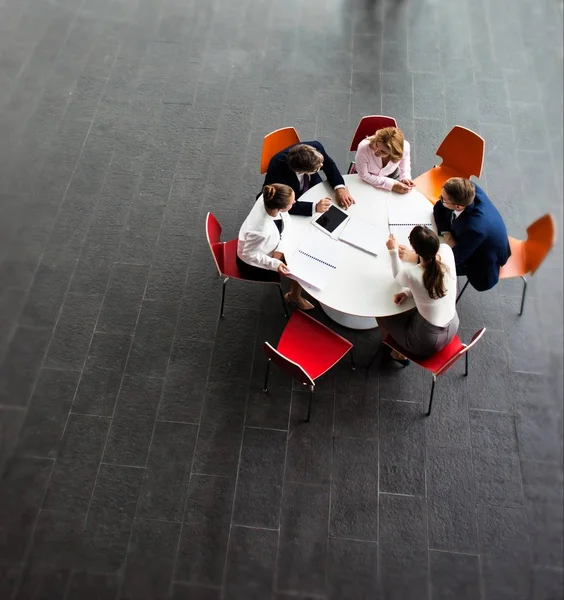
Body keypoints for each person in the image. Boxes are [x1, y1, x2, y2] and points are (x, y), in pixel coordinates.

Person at [400, 177, 510, 292]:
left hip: (481, 260)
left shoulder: (474, 229)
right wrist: (447, 234)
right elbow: (439, 208)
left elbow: (453, 258)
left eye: (443, 199)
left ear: (458, 206)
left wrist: (417, 258)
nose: (440, 200)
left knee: (431, 271)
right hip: (476, 236)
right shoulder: (467, 190)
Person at [377, 227, 459, 365]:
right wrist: (408, 292)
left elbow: (397, 276)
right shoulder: (446, 251)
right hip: (453, 325)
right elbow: (427, 286)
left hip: (428, 341)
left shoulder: (413, 274)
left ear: (415, 249)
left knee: (381, 314)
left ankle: (398, 353)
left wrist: (393, 251)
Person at [237, 183, 314, 310]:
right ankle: (294, 296)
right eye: (291, 202)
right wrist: (275, 263)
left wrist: (280, 249)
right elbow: (248, 254)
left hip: (269, 246)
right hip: (252, 265)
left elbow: (286, 221)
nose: (294, 202)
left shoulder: (269, 197)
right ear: (280, 208)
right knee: (298, 263)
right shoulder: (260, 230)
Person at [262, 141, 355, 216]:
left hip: (312, 184)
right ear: (301, 172)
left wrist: (340, 188)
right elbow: (279, 202)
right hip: (294, 197)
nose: (322, 165)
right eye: (318, 168)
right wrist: (314, 207)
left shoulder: (315, 148)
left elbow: (329, 165)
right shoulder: (277, 170)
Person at [354, 126, 415, 194]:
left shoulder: (405, 147)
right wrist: (392, 185)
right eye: (377, 145)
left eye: (383, 151)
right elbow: (364, 175)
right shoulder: (364, 148)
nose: (376, 152)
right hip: (365, 179)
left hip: (390, 175)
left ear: (393, 153)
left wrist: (405, 177)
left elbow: (404, 161)